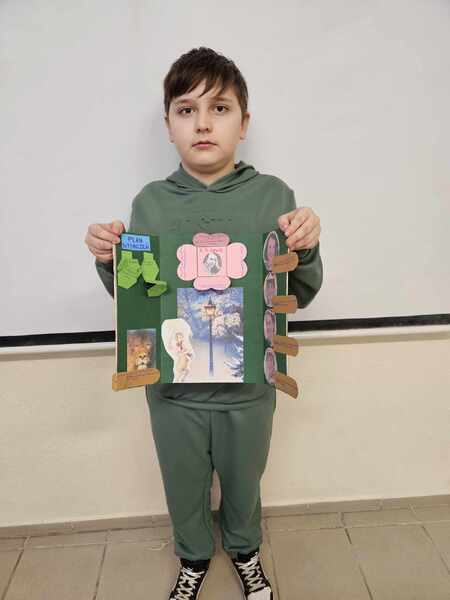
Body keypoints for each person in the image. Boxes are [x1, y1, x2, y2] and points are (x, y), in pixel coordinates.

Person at [85, 47, 323, 600]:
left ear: (244, 122)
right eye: (186, 110)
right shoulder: (151, 202)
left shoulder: (274, 197)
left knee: (245, 480)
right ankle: (193, 557)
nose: (203, 123)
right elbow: (138, 298)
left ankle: (244, 550)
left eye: (220, 108)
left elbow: (302, 291)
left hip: (250, 387)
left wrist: (307, 247)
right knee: (182, 480)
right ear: (168, 125)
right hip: (174, 391)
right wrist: (108, 259)